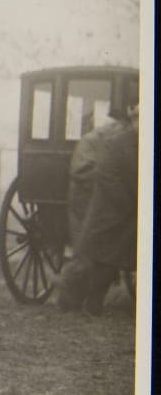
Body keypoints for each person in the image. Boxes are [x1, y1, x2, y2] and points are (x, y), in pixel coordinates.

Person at [55, 97, 133, 311]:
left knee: (102, 251)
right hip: (84, 199)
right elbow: (81, 171)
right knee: (84, 250)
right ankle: (69, 299)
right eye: (124, 123)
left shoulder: (117, 140)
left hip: (104, 201)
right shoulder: (93, 140)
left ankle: (89, 299)